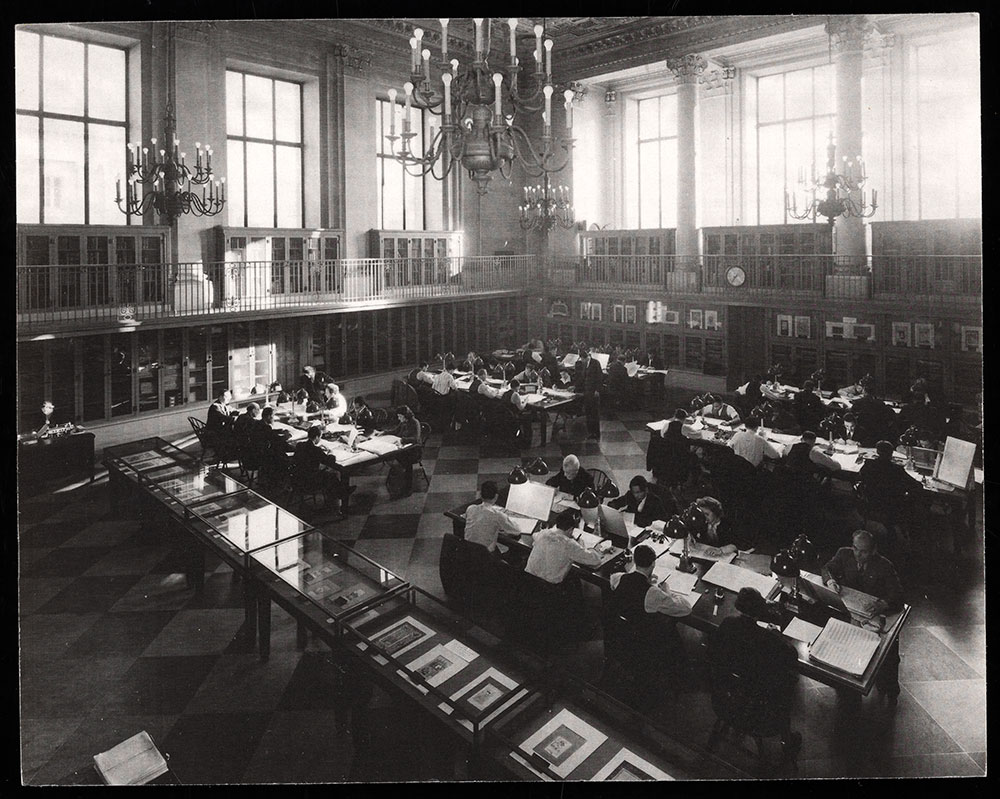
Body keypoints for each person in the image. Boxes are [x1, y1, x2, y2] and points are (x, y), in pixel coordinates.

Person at [707, 587, 802, 762]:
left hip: (725, 699)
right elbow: (791, 656)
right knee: (786, 686)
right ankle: (787, 741)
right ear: (760, 611)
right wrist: (776, 635)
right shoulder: (768, 639)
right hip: (758, 713)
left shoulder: (728, 623)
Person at [822, 530, 904, 704]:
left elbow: (897, 594)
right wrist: (831, 581)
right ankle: (847, 684)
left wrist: (883, 603)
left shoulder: (884, 565)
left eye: (863, 551)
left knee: (886, 653)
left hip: (873, 616)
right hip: (851, 612)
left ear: (873, 551)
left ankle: (890, 690)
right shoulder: (844, 554)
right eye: (855, 549)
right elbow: (827, 568)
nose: (858, 554)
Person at [855, 440, 923, 531]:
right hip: (891, 505)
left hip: (871, 501)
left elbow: (860, 478)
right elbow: (917, 486)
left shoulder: (869, 465)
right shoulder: (897, 470)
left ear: (877, 452)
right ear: (891, 454)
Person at [525, 509, 602, 585]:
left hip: (529, 580)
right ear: (570, 530)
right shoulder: (569, 544)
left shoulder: (543, 533)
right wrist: (581, 545)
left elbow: (534, 536)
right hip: (549, 587)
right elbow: (595, 561)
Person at [292, 425, 353, 515]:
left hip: (297, 478)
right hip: (309, 481)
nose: (319, 439)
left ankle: (338, 494)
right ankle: (341, 494)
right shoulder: (316, 450)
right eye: (320, 437)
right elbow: (329, 461)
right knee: (332, 475)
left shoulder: (299, 445)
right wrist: (331, 453)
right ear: (316, 437)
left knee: (328, 474)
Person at [464, 481, 523, 555]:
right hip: (486, 555)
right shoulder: (497, 515)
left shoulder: (470, 508)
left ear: (480, 495)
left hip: (468, 552)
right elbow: (517, 531)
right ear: (496, 496)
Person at [648, 409, 694, 488]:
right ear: (684, 419)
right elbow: (698, 435)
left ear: (674, 416)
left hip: (666, 454)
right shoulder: (685, 427)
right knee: (693, 456)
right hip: (679, 456)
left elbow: (662, 435)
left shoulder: (667, 425)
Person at [251, 406, 295, 486]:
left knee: (280, 446)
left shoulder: (258, 423)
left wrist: (279, 430)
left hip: (255, 453)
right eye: (272, 416)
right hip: (263, 456)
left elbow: (268, 433)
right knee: (281, 447)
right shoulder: (265, 427)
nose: (273, 418)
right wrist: (287, 435)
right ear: (268, 416)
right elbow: (276, 438)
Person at [608, 475, 673, 527]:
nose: (636, 495)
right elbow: (619, 502)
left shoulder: (655, 501)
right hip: (631, 526)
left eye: (638, 492)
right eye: (634, 492)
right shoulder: (630, 495)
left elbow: (655, 521)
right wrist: (611, 507)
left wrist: (631, 517)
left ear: (646, 490)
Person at [582, 350, 604, 440]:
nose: (581, 361)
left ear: (586, 357)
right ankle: (590, 432)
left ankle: (596, 433)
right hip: (587, 392)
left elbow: (600, 377)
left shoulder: (595, 363)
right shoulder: (585, 364)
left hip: (594, 392)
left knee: (594, 413)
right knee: (588, 412)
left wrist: (597, 390)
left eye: (582, 359)